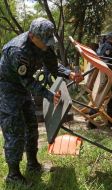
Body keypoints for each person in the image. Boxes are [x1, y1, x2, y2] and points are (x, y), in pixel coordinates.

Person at [0, 17, 83, 185]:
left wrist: (69, 73)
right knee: (14, 130)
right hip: (7, 90)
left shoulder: (44, 43)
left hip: (22, 88)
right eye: (44, 41)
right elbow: (29, 82)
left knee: (32, 126)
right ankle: (13, 175)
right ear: (32, 36)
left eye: (49, 41)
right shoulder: (18, 51)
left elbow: (53, 65)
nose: (47, 45)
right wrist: (48, 94)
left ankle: (33, 164)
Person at [87, 32, 112, 129]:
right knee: (111, 99)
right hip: (106, 75)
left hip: (103, 74)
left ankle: (93, 123)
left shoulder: (102, 46)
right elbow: (106, 62)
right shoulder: (108, 47)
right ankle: (109, 123)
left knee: (101, 98)